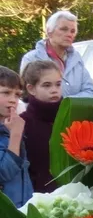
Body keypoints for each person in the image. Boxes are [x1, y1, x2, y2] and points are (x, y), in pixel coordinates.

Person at [20, 11, 93, 98]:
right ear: (49, 32)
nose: (69, 34)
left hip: (74, 111)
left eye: (72, 31)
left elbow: (91, 92)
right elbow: (26, 95)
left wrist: (67, 102)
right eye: (64, 29)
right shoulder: (32, 58)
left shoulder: (77, 59)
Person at [20, 60, 62, 193]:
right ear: (31, 89)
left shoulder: (70, 116)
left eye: (58, 84)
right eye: (47, 85)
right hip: (36, 196)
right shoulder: (23, 122)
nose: (54, 90)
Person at [0, 67, 33, 207]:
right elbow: (3, 173)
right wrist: (16, 135)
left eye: (17, 95)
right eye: (6, 93)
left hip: (20, 205)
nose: (13, 100)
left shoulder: (9, 125)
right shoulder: (14, 130)